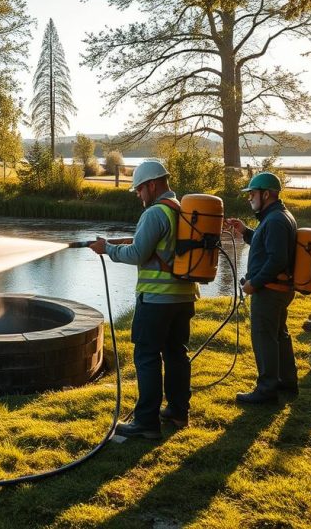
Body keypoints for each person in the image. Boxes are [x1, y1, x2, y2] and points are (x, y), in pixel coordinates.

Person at [89, 160, 197, 439]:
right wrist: (119, 242)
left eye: (139, 189)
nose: (138, 195)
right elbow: (155, 245)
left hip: (156, 300)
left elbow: (138, 255)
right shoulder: (181, 210)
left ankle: (147, 422)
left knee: (147, 357)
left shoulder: (154, 213)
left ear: (152, 185)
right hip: (184, 297)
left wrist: (108, 250)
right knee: (176, 354)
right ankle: (177, 411)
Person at [223, 172, 299, 404]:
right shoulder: (277, 216)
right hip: (279, 289)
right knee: (278, 335)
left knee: (264, 337)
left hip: (270, 291)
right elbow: (267, 244)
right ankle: (286, 382)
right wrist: (245, 231)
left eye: (252, 194)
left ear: (266, 194)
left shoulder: (275, 220)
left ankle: (266, 390)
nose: (250, 198)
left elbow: (276, 259)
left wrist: (253, 284)